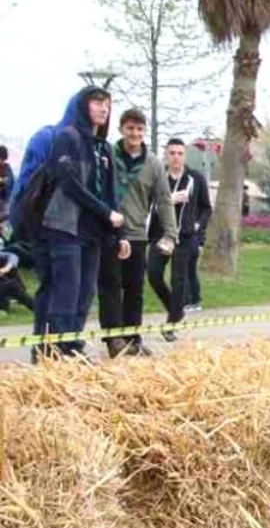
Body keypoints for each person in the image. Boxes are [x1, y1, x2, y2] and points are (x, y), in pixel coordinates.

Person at [34, 86, 128, 359]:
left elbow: (111, 193)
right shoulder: (68, 138)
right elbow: (68, 182)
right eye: (97, 102)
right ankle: (55, 349)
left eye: (108, 105)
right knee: (65, 291)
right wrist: (105, 211)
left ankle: (71, 347)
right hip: (63, 228)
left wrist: (119, 233)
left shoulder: (105, 148)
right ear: (83, 105)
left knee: (85, 294)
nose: (103, 108)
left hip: (93, 233)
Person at [98, 109, 178, 357]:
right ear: (121, 129)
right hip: (108, 232)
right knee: (110, 286)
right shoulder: (107, 154)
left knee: (134, 289)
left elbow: (164, 200)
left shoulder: (152, 163)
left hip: (136, 234)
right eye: (130, 128)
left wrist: (170, 234)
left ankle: (132, 339)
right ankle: (113, 339)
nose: (135, 134)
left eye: (139, 129)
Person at [148, 138, 211, 341]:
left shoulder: (195, 178)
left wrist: (197, 227)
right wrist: (168, 201)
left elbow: (206, 208)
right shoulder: (158, 177)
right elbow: (148, 206)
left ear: (185, 155)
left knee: (179, 281)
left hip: (184, 238)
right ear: (166, 154)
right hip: (162, 235)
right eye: (172, 153)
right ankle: (176, 310)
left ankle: (171, 324)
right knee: (154, 275)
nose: (176, 157)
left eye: (180, 153)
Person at [0, 145, 13, 222]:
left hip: (4, 198)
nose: (1, 161)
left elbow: (10, 181)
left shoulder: (7, 167)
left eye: (2, 159)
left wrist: (3, 181)